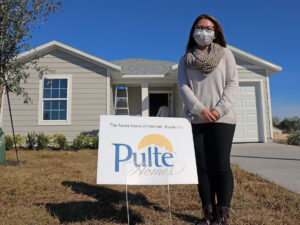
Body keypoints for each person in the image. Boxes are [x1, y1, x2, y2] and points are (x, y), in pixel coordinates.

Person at [177, 14, 239, 225]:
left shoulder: (226, 54)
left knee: (220, 165)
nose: (204, 31)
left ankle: (222, 215)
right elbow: (183, 87)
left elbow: (232, 84)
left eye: (208, 28)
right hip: (196, 119)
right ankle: (208, 214)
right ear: (193, 31)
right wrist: (199, 109)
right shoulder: (185, 60)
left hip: (223, 119)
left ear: (215, 32)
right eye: (200, 27)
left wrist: (219, 110)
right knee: (202, 167)